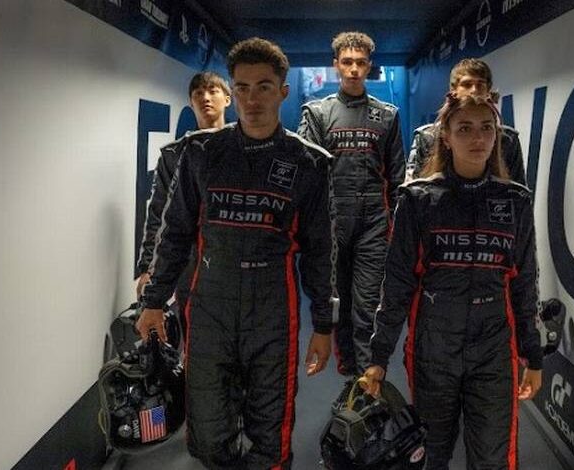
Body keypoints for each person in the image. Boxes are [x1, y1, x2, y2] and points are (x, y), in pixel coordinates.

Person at [138, 38, 335, 469]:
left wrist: (323, 324)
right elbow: (175, 233)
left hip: (273, 309)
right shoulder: (201, 152)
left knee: (271, 434)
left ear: (283, 92)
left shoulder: (308, 162)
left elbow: (320, 252)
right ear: (233, 90)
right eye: (242, 87)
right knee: (207, 436)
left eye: (264, 87)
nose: (252, 99)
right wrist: (153, 300)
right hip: (210, 303)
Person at [363, 93, 543, 469]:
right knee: (430, 454)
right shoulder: (418, 200)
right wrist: (378, 356)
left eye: (486, 128)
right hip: (433, 347)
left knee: (493, 459)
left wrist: (533, 354)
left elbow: (524, 283)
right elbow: (396, 285)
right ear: (445, 136)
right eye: (465, 128)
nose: (477, 137)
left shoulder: (515, 202)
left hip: (494, 348)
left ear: (497, 135)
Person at [298, 31, 405, 378]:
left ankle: (367, 382)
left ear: (370, 66)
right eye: (347, 62)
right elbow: (307, 176)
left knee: (367, 307)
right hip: (331, 222)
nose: (354, 69)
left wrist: (398, 231)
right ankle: (351, 378)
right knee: (338, 305)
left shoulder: (387, 115)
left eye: (360, 62)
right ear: (336, 65)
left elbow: (398, 179)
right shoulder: (317, 113)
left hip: (373, 223)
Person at [135, 71, 232, 300]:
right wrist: (148, 267)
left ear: (227, 99)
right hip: (190, 261)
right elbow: (158, 212)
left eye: (213, 91)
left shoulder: (244, 148)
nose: (205, 98)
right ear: (191, 102)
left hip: (232, 258)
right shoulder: (173, 154)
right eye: (198, 93)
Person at [408, 58, 526, 185]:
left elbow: (518, 187)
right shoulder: (427, 136)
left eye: (480, 84)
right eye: (467, 84)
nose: (474, 90)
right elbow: (415, 186)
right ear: (453, 91)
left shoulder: (508, 139)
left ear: (488, 91)